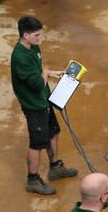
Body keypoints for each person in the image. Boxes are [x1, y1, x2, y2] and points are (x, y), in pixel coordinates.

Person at [11, 15, 77, 195]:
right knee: (37, 142)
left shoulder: (33, 47)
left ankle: (55, 167)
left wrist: (51, 72)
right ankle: (32, 180)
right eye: (37, 35)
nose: (40, 38)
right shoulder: (20, 57)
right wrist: (46, 74)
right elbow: (37, 83)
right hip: (34, 105)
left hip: (43, 100)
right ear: (25, 35)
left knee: (53, 132)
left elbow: (39, 70)